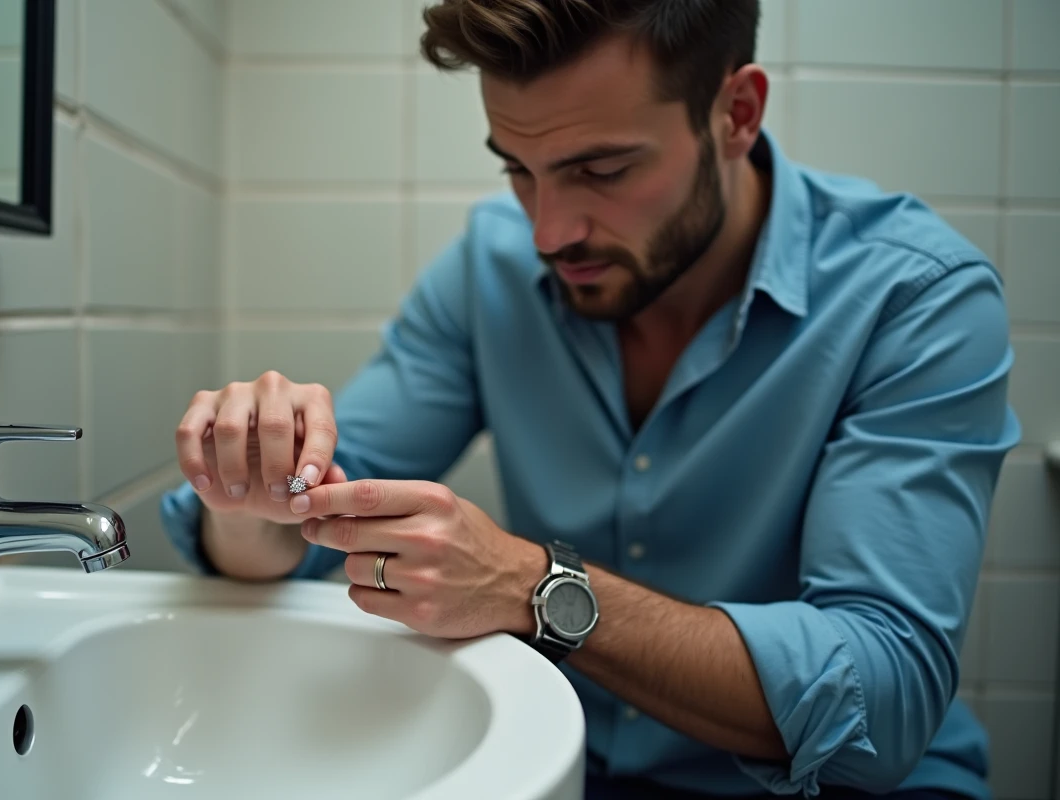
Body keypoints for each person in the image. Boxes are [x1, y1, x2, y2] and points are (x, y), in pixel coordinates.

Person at [160, 1, 1020, 797]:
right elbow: (311, 528)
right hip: (570, 760)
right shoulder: (488, 267)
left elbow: (885, 694)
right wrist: (251, 494)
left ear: (737, 114)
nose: (547, 232)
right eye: (519, 171)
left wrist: (538, 589)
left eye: (600, 169)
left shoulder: (915, 297)